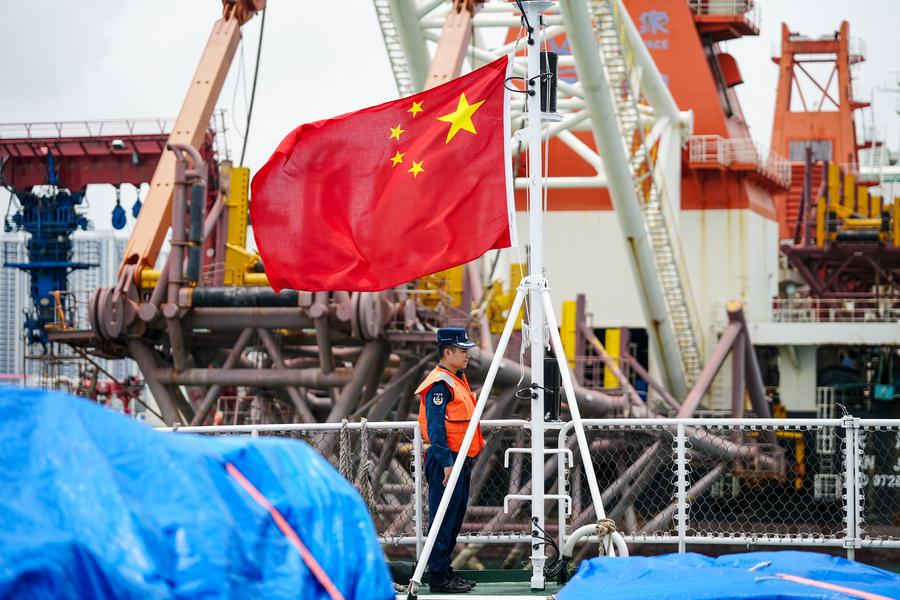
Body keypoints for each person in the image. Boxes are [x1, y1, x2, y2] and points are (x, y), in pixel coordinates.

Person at [415, 327, 485, 594]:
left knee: (453, 518)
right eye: (462, 350)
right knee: (443, 518)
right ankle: (438, 577)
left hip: (460, 458)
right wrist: (446, 463)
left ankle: (444, 572)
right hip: (447, 461)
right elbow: (435, 428)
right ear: (447, 352)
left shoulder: (456, 379)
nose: (467, 355)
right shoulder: (440, 384)